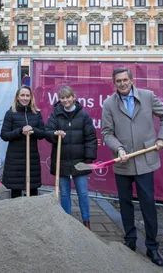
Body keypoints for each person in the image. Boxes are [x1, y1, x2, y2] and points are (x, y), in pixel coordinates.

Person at [101, 67, 163, 267]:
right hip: (123, 161)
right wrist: (119, 148)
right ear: (114, 83)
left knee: (148, 204)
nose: (122, 84)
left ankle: (152, 246)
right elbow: (106, 132)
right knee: (125, 203)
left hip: (145, 160)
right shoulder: (109, 104)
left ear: (132, 80)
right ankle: (130, 240)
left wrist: (162, 138)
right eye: (118, 81)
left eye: (125, 80)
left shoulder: (148, 97)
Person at [44, 86, 97, 229]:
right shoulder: (56, 114)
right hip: (61, 160)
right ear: (59, 99)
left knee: (83, 192)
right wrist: (54, 134)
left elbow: (91, 137)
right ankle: (66, 220)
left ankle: (86, 221)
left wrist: (89, 158)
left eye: (68, 97)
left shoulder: (83, 115)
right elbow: (47, 131)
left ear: (74, 97)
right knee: (65, 193)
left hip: (80, 161)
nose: (66, 100)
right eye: (62, 98)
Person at [0, 86, 46, 198]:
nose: (25, 98)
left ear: (31, 97)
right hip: (15, 159)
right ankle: (17, 214)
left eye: (27, 95)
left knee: (33, 190)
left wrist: (33, 130)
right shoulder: (10, 113)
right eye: (22, 95)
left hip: (32, 157)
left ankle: (33, 214)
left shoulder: (36, 113)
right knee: (16, 191)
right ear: (17, 97)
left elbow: (43, 133)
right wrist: (20, 131)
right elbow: (4, 135)